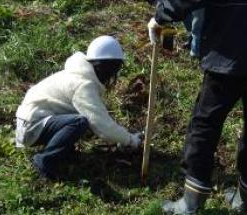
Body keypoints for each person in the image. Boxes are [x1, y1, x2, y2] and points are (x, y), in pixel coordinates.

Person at [148, 0, 247, 214]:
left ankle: (190, 204)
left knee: (205, 123)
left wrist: (161, 14)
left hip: (232, 48)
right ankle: (244, 198)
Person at [15, 35, 142, 180]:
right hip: (31, 127)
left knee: (81, 120)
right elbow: (101, 125)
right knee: (79, 122)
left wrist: (123, 136)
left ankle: (64, 153)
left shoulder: (80, 76)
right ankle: (45, 161)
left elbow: (99, 117)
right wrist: (130, 140)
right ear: (104, 67)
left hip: (34, 121)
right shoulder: (82, 85)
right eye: (113, 69)